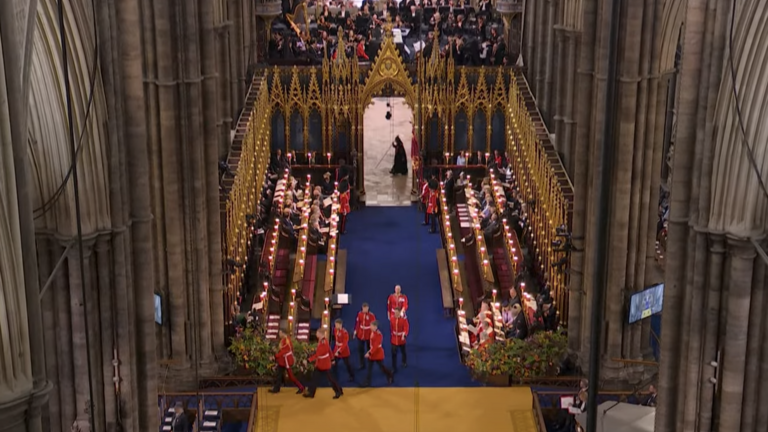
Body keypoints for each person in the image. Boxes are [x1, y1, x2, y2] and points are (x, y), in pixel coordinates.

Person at [305, 328, 344, 399]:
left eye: (317, 333)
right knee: (315, 378)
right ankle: (311, 392)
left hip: (324, 364)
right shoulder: (323, 341)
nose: (316, 334)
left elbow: (318, 354)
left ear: (320, 334)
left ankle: (338, 391)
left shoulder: (323, 342)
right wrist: (332, 359)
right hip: (321, 363)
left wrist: (308, 360)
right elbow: (329, 350)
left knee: (331, 379)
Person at [269, 329, 305, 394]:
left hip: (286, 361)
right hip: (283, 360)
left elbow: (284, 351)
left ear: (283, 333)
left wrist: (275, 356)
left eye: (280, 333)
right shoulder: (284, 340)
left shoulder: (287, 340)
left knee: (291, 376)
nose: (279, 334)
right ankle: (276, 388)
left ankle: (301, 387)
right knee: (279, 374)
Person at [363, 321, 394, 387]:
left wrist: (369, 353)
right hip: (372, 353)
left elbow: (376, 346)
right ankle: (367, 382)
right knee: (369, 368)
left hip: (377, 354)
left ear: (375, 327)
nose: (370, 327)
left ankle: (390, 375)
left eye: (371, 326)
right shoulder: (372, 332)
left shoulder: (378, 335)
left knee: (382, 368)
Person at [354, 303, 376, 369]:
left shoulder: (371, 315)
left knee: (369, 348)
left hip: (368, 334)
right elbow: (358, 323)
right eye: (363, 308)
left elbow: (373, 325)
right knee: (360, 349)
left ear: (368, 308)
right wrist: (356, 331)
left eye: (366, 308)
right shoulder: (359, 314)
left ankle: (370, 361)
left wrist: (373, 333)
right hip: (361, 334)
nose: (364, 309)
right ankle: (362, 363)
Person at [390, 308, 409, 372]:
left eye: (397, 312)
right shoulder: (392, 318)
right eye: (395, 312)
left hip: (401, 338)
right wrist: (392, 334)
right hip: (394, 339)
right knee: (393, 353)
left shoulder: (403, 320)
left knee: (403, 351)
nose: (395, 314)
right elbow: (391, 327)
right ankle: (394, 367)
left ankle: (404, 362)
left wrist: (404, 335)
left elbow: (406, 328)